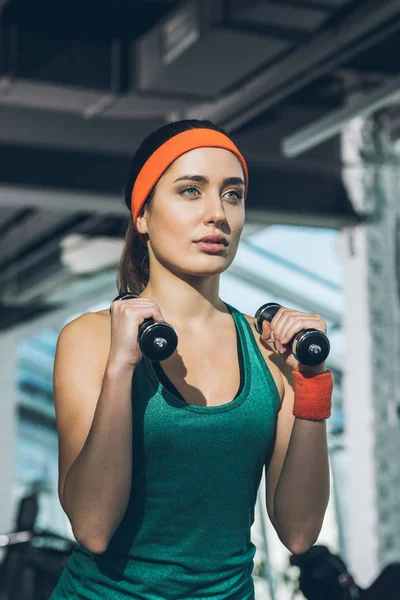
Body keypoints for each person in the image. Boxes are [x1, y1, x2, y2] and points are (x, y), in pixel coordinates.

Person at [49, 119, 334, 599]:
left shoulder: (271, 351)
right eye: (190, 191)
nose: (216, 214)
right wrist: (121, 369)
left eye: (232, 194)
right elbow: (93, 527)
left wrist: (311, 386)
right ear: (142, 216)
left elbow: (299, 533)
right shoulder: (90, 340)